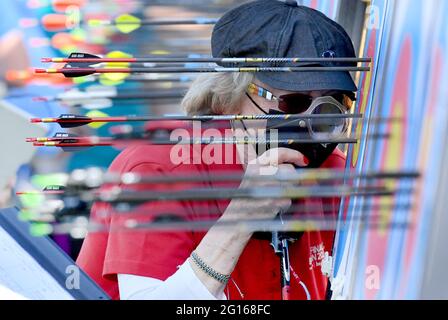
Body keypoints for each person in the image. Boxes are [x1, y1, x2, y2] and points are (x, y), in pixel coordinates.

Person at [77, 0, 358, 300]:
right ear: (229, 99)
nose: (307, 126)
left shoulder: (334, 177)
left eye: (327, 110)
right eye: (292, 103)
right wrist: (241, 217)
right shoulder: (157, 170)